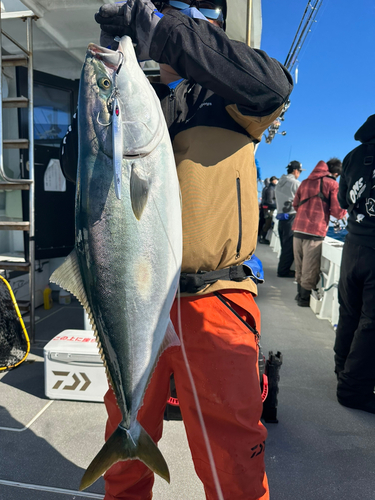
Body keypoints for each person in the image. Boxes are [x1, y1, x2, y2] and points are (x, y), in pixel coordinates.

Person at [61, 1, 293, 497]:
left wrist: (164, 32)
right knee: (123, 446)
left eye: (179, 19)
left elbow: (276, 85)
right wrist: (92, 109)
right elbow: (77, 166)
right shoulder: (141, 98)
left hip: (214, 298)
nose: (166, 31)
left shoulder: (231, 94)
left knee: (231, 457)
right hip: (133, 298)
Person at [333, 114, 375, 413]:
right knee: (372, 323)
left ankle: (342, 369)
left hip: (353, 246)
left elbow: (345, 201)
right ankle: (353, 390)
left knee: (349, 312)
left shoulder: (353, 155)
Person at [292, 158, 347, 306]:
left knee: (299, 264)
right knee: (310, 267)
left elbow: (295, 204)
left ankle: (299, 294)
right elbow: (337, 211)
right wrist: (343, 213)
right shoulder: (332, 184)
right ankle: (304, 299)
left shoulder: (304, 182)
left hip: (298, 229)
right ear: (335, 173)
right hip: (315, 231)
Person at [275, 160, 303, 277]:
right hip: (291, 217)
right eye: (300, 171)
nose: (300, 173)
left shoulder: (279, 182)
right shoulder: (296, 184)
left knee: (284, 245)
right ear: (296, 171)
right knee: (289, 246)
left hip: (281, 218)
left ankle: (283, 268)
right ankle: (283, 271)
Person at [259, 176, 278, 244]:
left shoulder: (269, 188)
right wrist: (275, 205)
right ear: (273, 180)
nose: (276, 181)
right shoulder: (271, 189)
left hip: (267, 208)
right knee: (267, 223)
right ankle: (262, 238)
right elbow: (270, 200)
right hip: (269, 208)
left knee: (267, 223)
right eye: (276, 180)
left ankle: (262, 237)